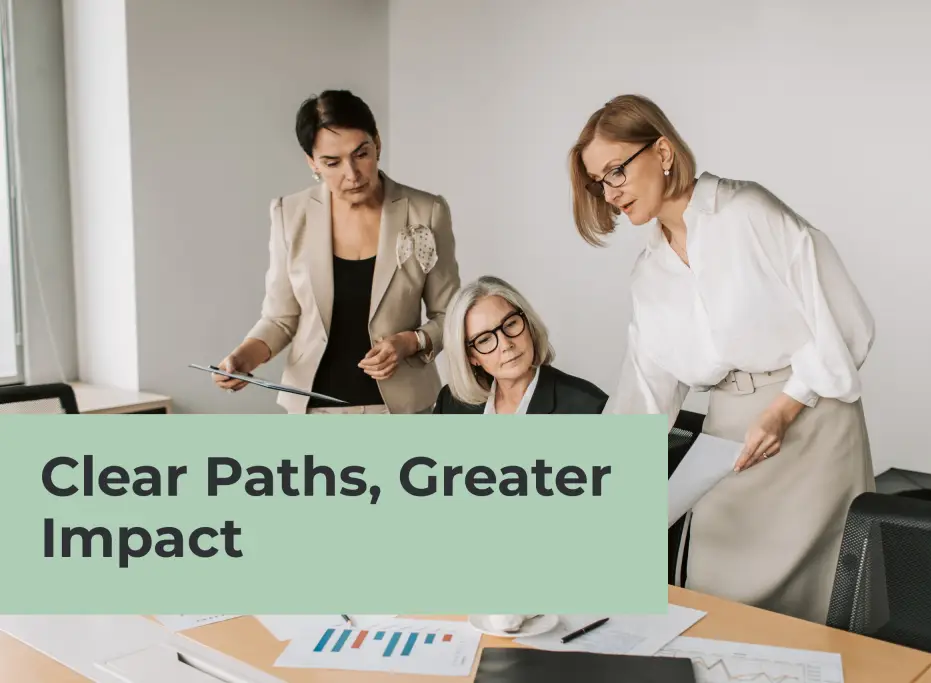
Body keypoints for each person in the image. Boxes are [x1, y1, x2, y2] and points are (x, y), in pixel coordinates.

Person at [568, 94, 875, 624]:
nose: (610, 191)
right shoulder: (650, 273)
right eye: (599, 181)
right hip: (732, 435)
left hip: (814, 424)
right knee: (712, 601)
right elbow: (644, 393)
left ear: (662, 151)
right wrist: (592, 485)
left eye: (616, 170)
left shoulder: (748, 211)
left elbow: (845, 321)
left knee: (822, 612)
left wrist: (785, 408)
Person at [215, 89, 460, 414]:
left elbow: (450, 316)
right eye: (332, 162)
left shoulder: (426, 211)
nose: (352, 174)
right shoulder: (290, 214)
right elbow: (280, 318)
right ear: (312, 162)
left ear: (378, 143)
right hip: (312, 409)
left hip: (403, 409)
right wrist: (243, 358)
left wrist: (409, 343)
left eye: (362, 154)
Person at [434, 276, 608, 415]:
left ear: (528, 323)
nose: (506, 344)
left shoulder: (590, 407)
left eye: (510, 324)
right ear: (471, 357)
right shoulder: (450, 404)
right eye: (484, 339)